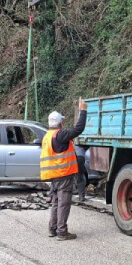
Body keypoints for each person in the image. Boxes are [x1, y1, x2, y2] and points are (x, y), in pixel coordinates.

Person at [41, 98, 87, 240]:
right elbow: (78, 129)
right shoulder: (60, 135)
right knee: (64, 203)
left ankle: (52, 229)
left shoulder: (48, 136)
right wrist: (83, 110)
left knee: (56, 202)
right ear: (60, 123)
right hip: (63, 175)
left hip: (53, 175)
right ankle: (62, 232)